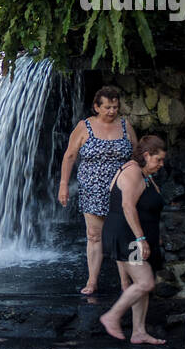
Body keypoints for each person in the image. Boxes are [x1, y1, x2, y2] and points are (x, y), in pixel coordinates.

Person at [58, 86, 137, 294]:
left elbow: (136, 156)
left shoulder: (125, 125)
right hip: (92, 188)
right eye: (107, 107)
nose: (112, 111)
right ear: (96, 107)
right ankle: (92, 281)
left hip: (122, 188)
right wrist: (63, 185)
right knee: (94, 235)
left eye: (115, 107)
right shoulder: (84, 127)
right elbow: (69, 156)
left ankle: (126, 283)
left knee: (123, 234)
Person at [98, 135, 168, 346]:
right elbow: (127, 207)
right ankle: (112, 316)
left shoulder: (144, 174)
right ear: (146, 155)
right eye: (158, 160)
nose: (161, 164)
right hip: (128, 237)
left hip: (133, 236)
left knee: (141, 283)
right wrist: (141, 239)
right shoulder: (132, 171)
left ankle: (138, 332)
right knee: (146, 282)